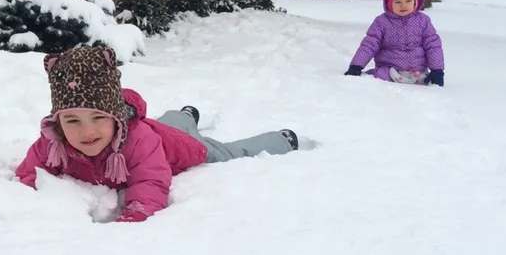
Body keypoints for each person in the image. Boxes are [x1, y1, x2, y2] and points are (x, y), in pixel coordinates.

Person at [15, 46, 299, 222]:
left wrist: (136, 213)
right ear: (58, 121)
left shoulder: (139, 140)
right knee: (167, 123)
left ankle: (281, 139)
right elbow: (28, 174)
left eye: (98, 117)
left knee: (223, 152)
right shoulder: (53, 143)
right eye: (72, 120)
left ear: (116, 117)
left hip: (177, 148)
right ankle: (185, 115)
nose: (86, 131)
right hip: (159, 129)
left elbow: (150, 182)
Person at [345, 0, 445, 86]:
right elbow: (370, 44)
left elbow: (433, 45)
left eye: (408, 1)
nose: (403, 5)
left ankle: (415, 78)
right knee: (380, 76)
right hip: (390, 69)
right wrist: (356, 65)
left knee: (425, 80)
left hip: (417, 70)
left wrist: (437, 69)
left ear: (416, 2)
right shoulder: (381, 22)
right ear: (389, 3)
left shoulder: (423, 21)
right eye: (397, 2)